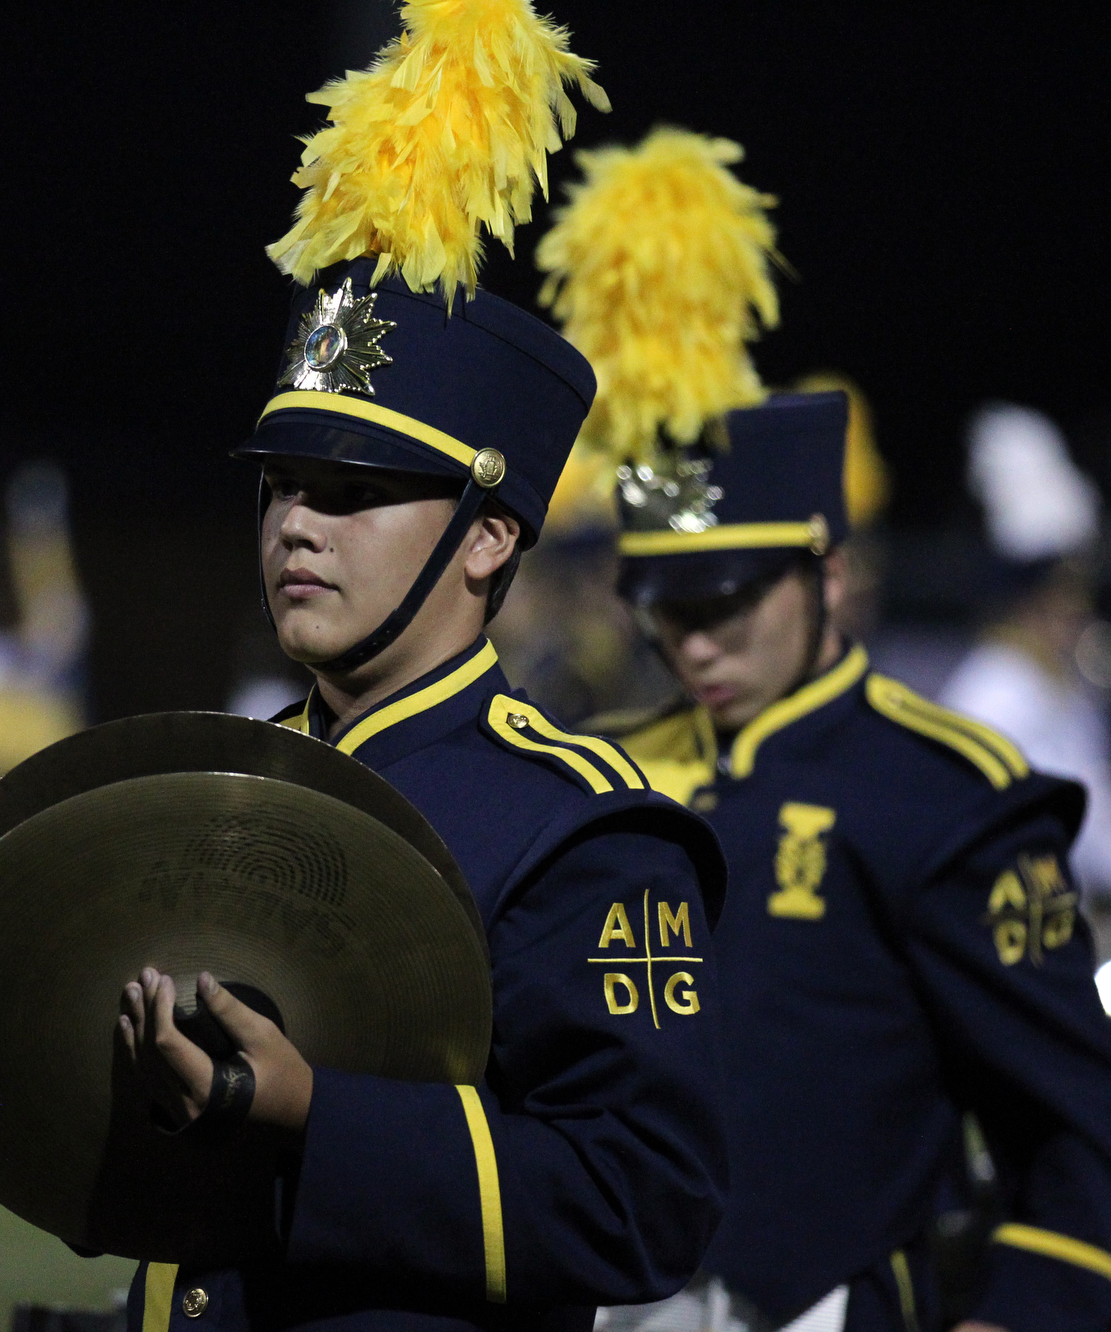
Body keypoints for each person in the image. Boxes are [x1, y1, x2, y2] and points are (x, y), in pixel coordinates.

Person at [111, 5, 729, 1329]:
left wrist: (313, 1116)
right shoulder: (242, 770)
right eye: (281, 485)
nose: (296, 526)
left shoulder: (583, 827)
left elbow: (642, 1202)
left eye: (354, 490)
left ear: (488, 535)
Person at [537, 126, 1111, 1331]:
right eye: (666, 611)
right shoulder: (597, 774)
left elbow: (1069, 1139)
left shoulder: (943, 794)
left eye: (727, 603)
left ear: (823, 569)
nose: (693, 644)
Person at [942, 405, 1111, 906]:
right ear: (1027, 598)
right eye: (1064, 592)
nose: (1079, 609)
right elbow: (1083, 841)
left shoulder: (1058, 684)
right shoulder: (991, 695)